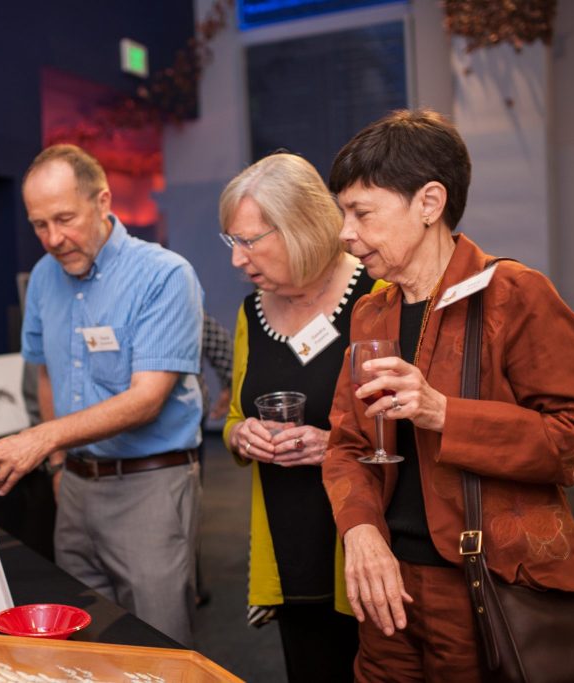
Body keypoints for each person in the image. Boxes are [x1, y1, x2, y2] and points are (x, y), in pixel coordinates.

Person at [323, 109, 574, 681]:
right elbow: (345, 445)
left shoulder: (515, 294)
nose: (345, 234)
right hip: (384, 582)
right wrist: (362, 532)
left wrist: (444, 412)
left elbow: (572, 441)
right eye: (343, 213)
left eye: (361, 212)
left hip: (484, 582)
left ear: (429, 203)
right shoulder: (373, 310)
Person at [0, 144, 204, 646]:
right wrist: (55, 462)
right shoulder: (45, 278)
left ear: (103, 201)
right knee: (81, 643)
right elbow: (47, 373)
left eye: (65, 219)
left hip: (149, 487)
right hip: (72, 488)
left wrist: (43, 438)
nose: (53, 239)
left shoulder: (164, 276)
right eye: (39, 225)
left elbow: (146, 399)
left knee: (160, 646)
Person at [220, 153, 380, 682]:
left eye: (248, 241)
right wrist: (242, 434)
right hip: (287, 547)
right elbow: (236, 415)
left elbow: (410, 429)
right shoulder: (252, 312)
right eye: (232, 243)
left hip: (368, 542)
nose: (238, 260)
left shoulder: (377, 299)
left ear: (302, 228)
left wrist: (334, 444)